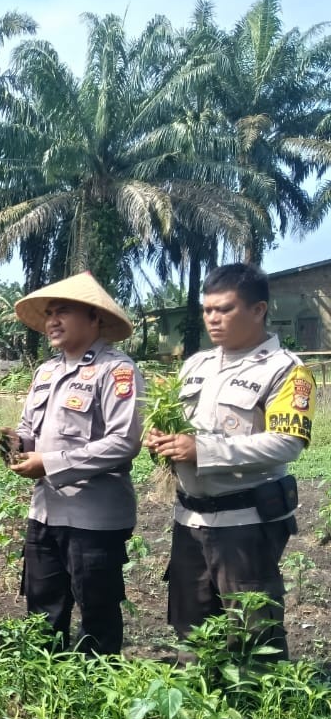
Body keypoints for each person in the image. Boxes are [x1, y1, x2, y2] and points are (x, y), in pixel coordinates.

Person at [146, 263, 316, 660]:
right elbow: (179, 426)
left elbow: (287, 443)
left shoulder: (287, 370)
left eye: (224, 309)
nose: (213, 319)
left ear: (258, 310)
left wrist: (202, 452)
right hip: (189, 519)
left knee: (254, 632)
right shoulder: (196, 366)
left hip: (245, 522)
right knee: (192, 627)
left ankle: (258, 712)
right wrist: (163, 441)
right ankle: (199, 710)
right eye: (208, 310)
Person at [1, 272, 144, 655]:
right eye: (49, 313)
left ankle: (94, 698)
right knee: (42, 610)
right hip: (45, 512)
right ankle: (47, 694)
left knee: (97, 615)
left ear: (94, 318)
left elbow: (124, 443)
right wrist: (12, 442)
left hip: (93, 518)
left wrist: (49, 463)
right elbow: (29, 432)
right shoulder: (46, 372)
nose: (52, 321)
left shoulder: (118, 370)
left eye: (63, 311)